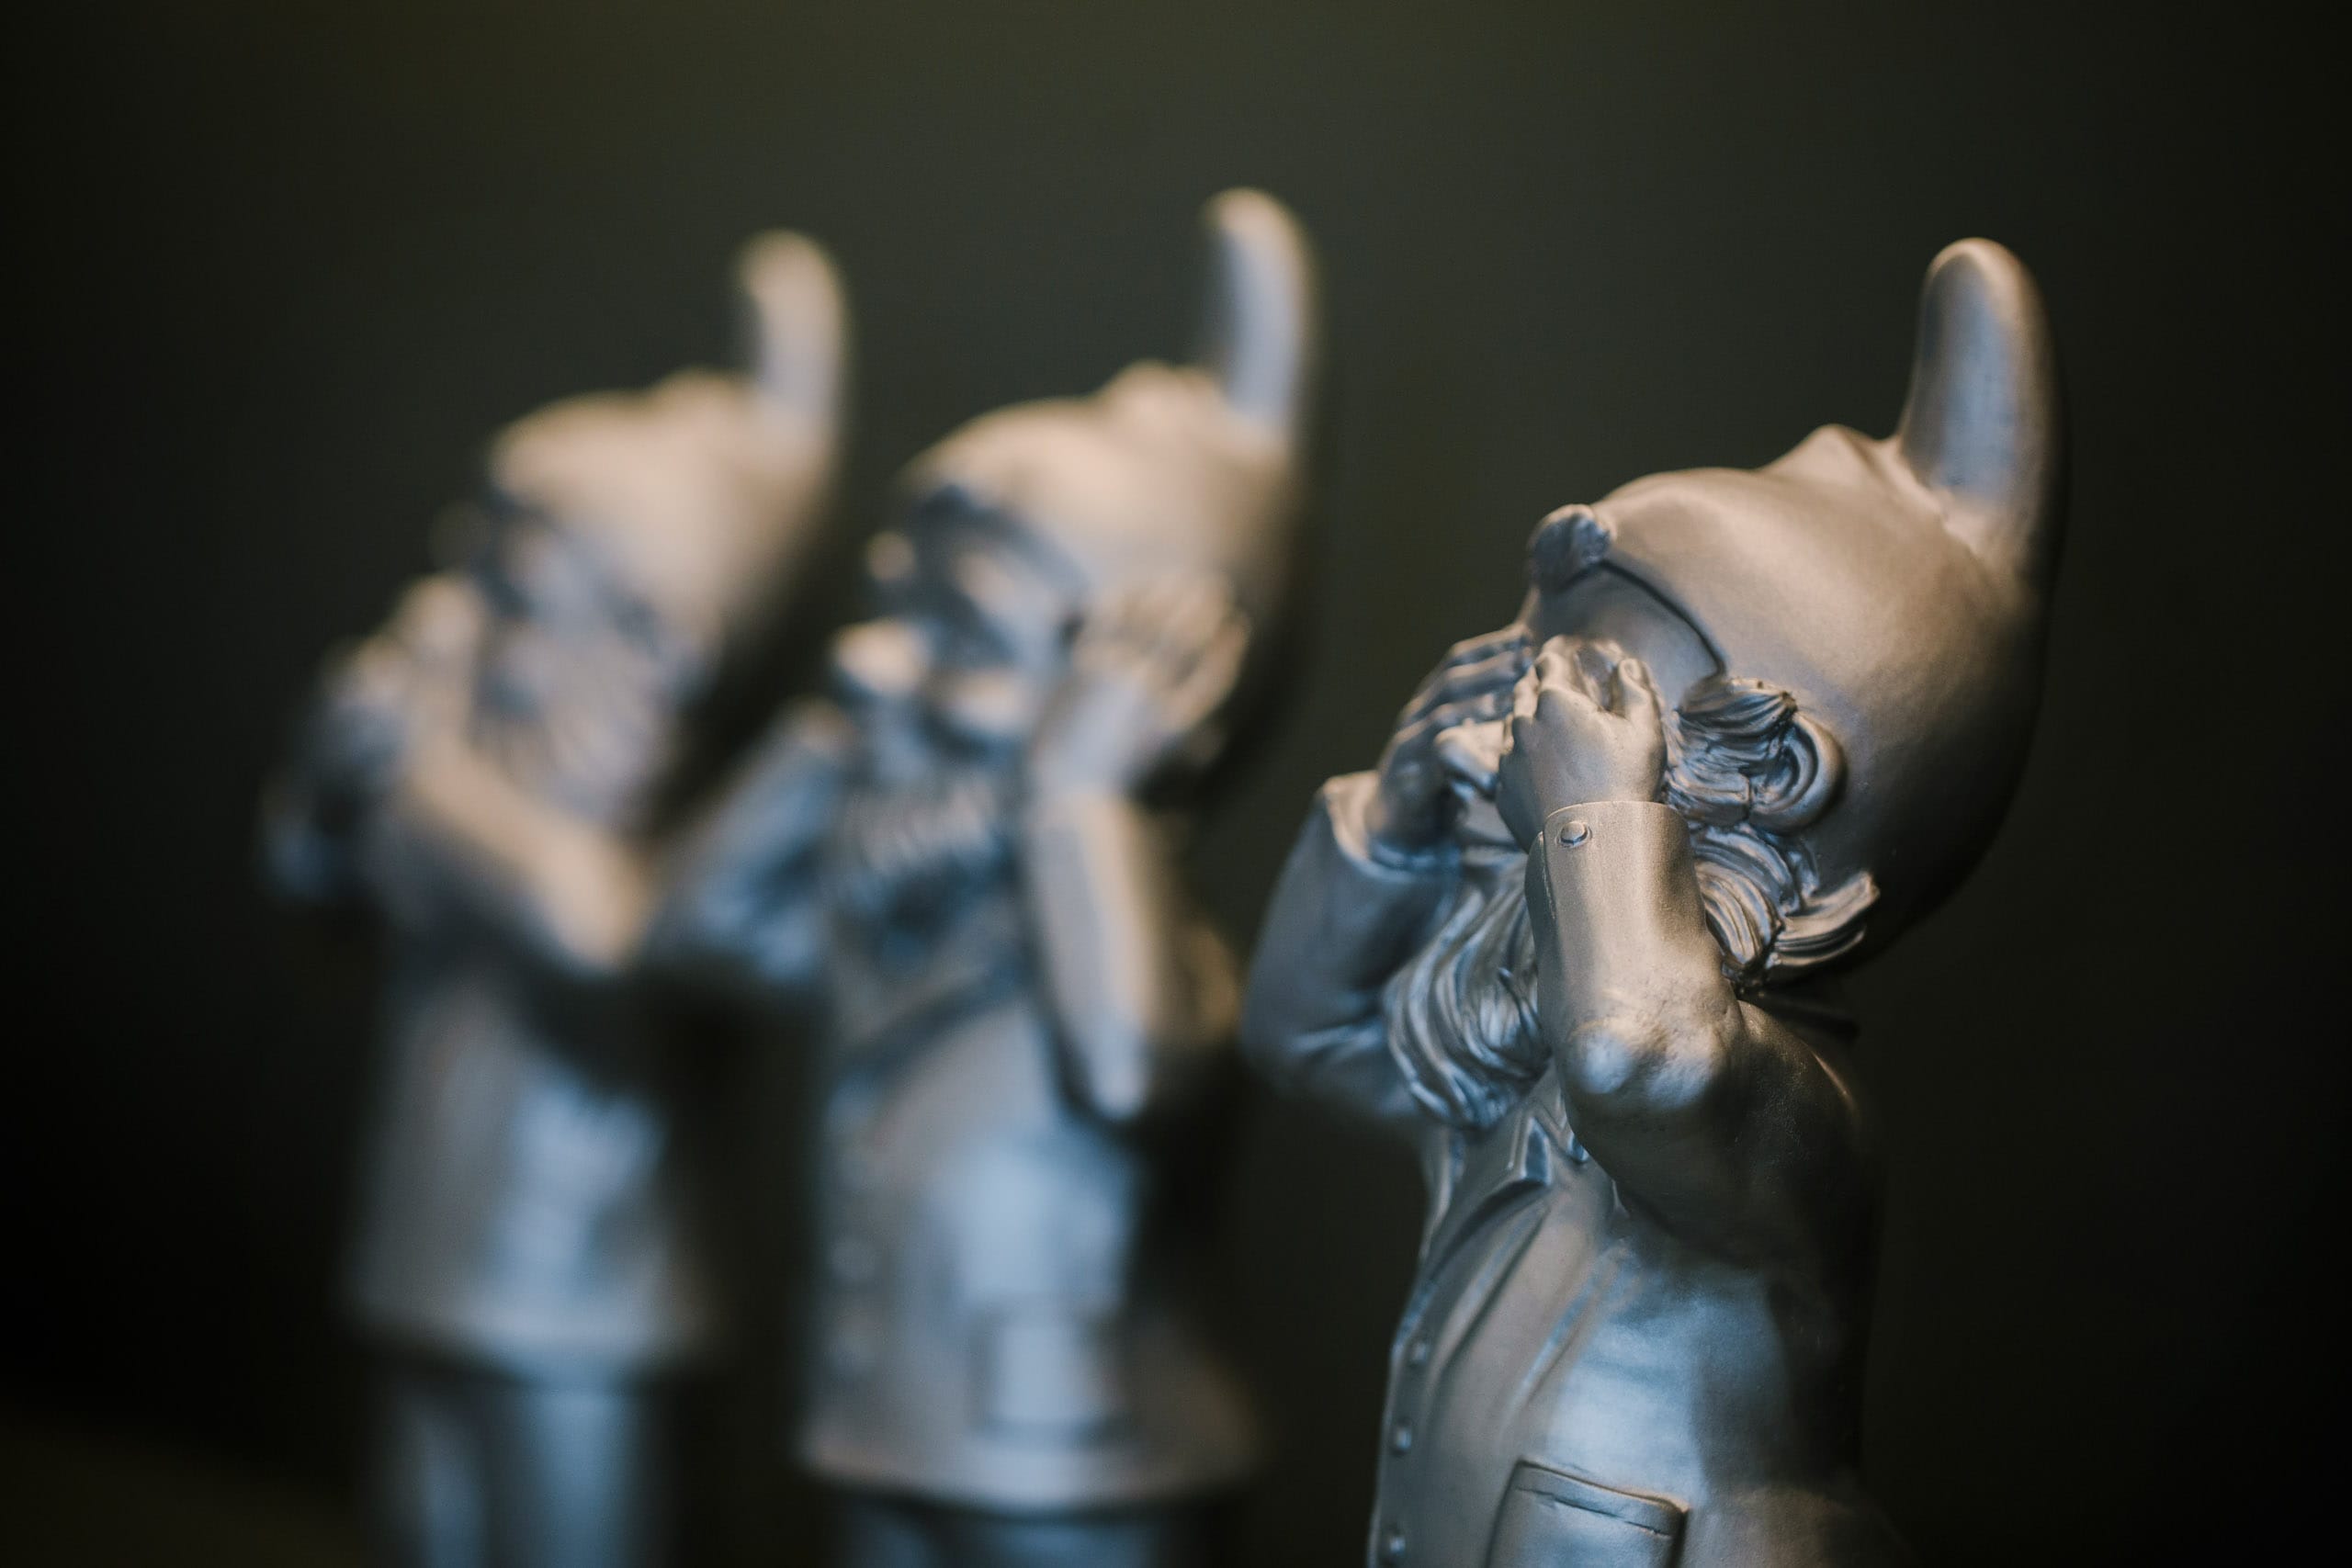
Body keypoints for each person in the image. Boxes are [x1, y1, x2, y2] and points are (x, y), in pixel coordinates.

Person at [1243, 240, 2062, 1567]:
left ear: (1774, 777)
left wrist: (1593, 812)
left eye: (1583, 695)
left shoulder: (1785, 1119)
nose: (1516, 743)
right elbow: (1303, 1035)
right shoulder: (1513, 1078)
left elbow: (1643, 1058)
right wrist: (1387, 825)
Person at [654, 190, 1317, 1568]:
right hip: (885, 1432)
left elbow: (1129, 1071)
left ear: (1151, 690)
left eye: (955, 629)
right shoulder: (898, 909)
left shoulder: (1146, 927)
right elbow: (688, 929)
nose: (878, 659)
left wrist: (1078, 798)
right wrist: (826, 732)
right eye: (890, 607)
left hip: (1080, 1466)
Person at [263, 233, 848, 1568]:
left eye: (511, 600)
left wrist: (411, 772)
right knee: (425, 1529)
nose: (462, 627)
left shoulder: (611, 848)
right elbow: (315, 895)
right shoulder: (465, 806)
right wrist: (326, 781)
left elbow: (600, 932)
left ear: (657, 650)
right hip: (425, 1266)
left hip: (590, 1306)